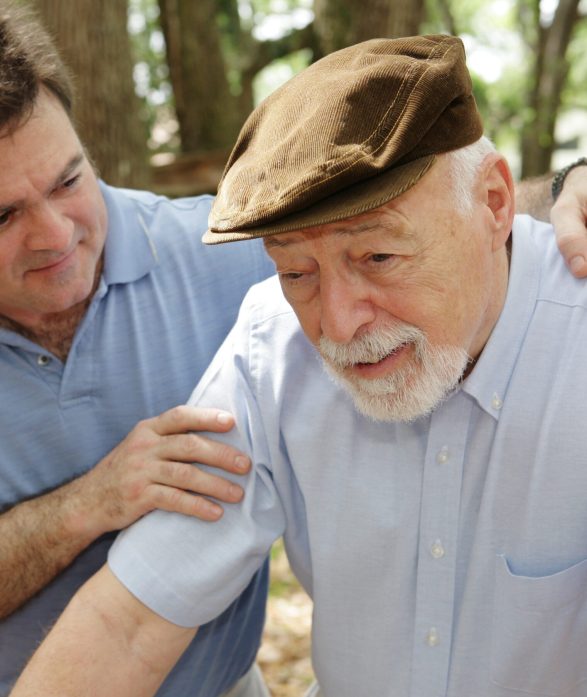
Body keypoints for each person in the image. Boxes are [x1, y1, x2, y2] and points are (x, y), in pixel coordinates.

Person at [11, 33, 587, 697]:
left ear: (492, 203)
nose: (337, 325)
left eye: (378, 258)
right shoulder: (270, 344)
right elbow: (126, 623)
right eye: (296, 271)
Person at [0, 3, 276, 696]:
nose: (55, 235)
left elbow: (446, 229)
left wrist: (574, 186)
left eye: (68, 180)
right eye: (2, 215)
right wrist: (86, 503)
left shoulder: (218, 253)